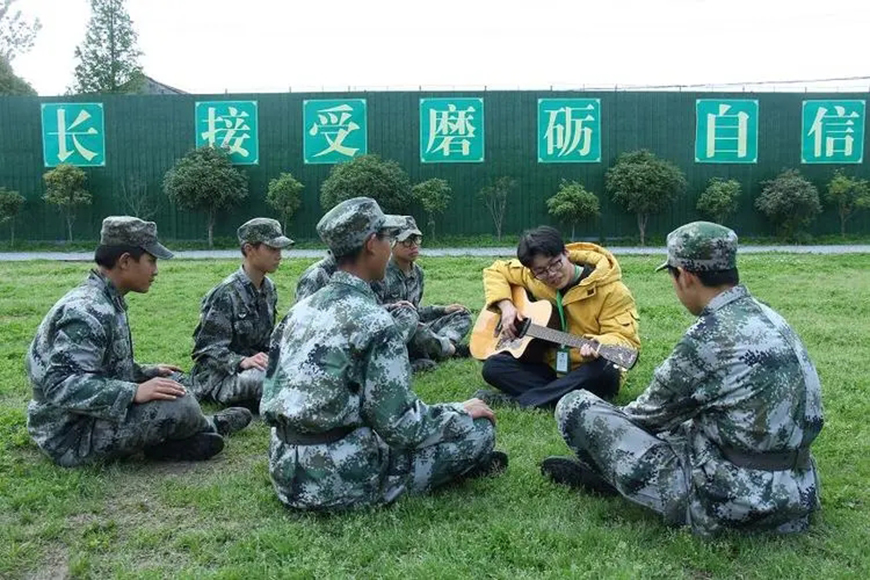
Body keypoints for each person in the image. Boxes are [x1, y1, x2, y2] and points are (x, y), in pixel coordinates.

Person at [543, 221, 824, 536]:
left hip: (734, 504)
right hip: (798, 494)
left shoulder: (708, 338)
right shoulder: (770, 317)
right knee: (683, 423)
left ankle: (612, 476)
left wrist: (607, 445)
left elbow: (645, 417)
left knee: (575, 406)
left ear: (686, 277)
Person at [262, 197, 506, 511]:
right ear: (371, 245)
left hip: (285, 470)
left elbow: (271, 395)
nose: (391, 247)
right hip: (340, 481)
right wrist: (460, 410)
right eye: (388, 238)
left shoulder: (297, 312)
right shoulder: (375, 321)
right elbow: (403, 426)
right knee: (480, 431)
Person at [25, 216, 252, 467]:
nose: (155, 271)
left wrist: (146, 372)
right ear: (125, 261)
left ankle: (168, 444)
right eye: (151, 261)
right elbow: (59, 384)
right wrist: (134, 390)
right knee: (179, 404)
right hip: (70, 436)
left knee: (172, 383)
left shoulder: (106, 300)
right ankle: (210, 425)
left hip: (85, 417)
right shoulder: (87, 311)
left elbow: (100, 366)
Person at [475, 226, 640, 408]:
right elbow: (495, 271)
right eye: (542, 271)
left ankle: (521, 401)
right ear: (532, 271)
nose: (551, 274)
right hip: (552, 367)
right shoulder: (533, 277)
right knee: (494, 367)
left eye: (555, 263)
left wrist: (597, 343)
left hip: (586, 369)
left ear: (566, 253)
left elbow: (626, 341)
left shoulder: (612, 291)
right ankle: (560, 395)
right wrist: (506, 306)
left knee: (606, 371)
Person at [190, 218, 293, 411]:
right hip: (220, 377)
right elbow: (205, 351)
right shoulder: (225, 294)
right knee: (270, 379)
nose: (279, 255)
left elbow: (263, 342)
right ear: (249, 249)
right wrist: (242, 361)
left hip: (254, 367)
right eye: (272, 249)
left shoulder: (268, 289)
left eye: (280, 249)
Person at [371, 216, 472, 373]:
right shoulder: (380, 273)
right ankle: (448, 350)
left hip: (418, 327)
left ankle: (442, 346)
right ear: (392, 243)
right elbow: (374, 314)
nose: (413, 246)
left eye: (416, 239)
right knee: (419, 331)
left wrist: (443, 310)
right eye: (407, 241)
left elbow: (417, 311)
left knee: (462, 314)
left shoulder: (418, 273)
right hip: (395, 333)